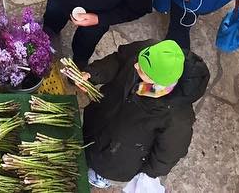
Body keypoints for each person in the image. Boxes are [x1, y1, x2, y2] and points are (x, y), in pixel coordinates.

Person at [82, 39, 208, 190]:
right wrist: (94, 74)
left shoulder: (177, 118)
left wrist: (148, 172)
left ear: (157, 82)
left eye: (142, 70)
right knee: (87, 137)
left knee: (103, 165)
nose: (136, 66)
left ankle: (100, 176)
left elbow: (167, 154)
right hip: (103, 115)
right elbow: (118, 60)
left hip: (118, 154)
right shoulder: (148, 51)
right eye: (139, 61)